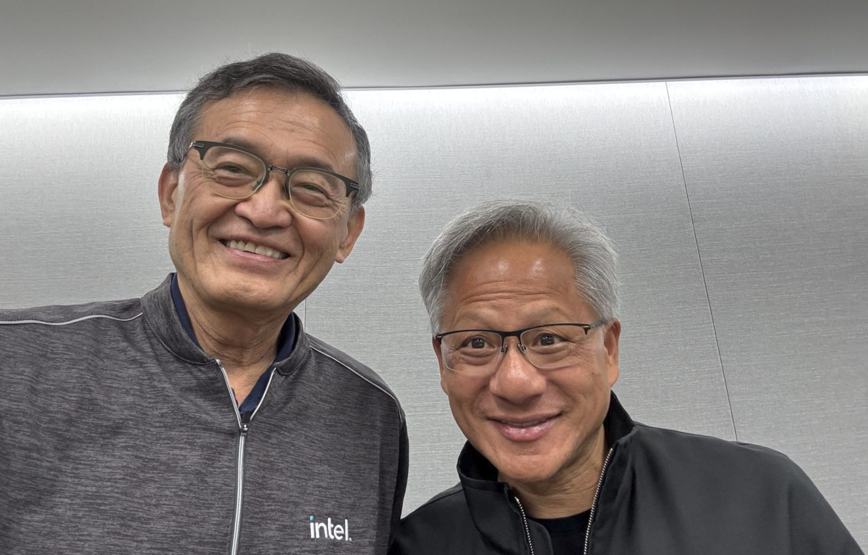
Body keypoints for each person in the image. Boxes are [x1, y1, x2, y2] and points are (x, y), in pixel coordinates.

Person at [0, 53, 407, 554]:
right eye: (232, 169)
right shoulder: (16, 365)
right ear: (171, 194)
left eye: (312, 189)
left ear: (348, 233)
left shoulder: (370, 414)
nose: (264, 211)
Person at [390, 199, 861, 554]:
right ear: (442, 363)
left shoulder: (759, 496)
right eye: (476, 343)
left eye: (549, 338)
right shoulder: (418, 545)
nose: (515, 382)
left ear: (609, 349)